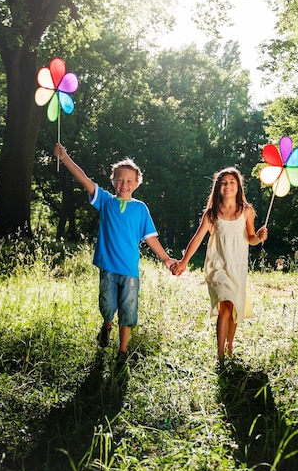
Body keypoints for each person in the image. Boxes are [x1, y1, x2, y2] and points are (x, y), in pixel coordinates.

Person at [54, 143, 176, 361]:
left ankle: (122, 351)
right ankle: (107, 325)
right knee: (108, 306)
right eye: (120, 179)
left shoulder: (140, 208)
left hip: (129, 270)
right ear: (113, 181)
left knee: (128, 310)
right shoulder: (106, 201)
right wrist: (64, 158)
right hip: (108, 268)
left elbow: (150, 238)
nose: (124, 184)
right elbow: (83, 179)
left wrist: (166, 259)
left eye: (129, 181)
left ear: (137, 184)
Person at [172, 167, 267, 359]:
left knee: (234, 308)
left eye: (232, 182)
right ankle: (220, 355)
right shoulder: (211, 213)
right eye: (223, 183)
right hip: (217, 267)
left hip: (237, 267)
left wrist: (258, 237)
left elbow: (250, 238)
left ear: (238, 186)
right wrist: (183, 262)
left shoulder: (246, 211)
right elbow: (197, 239)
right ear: (218, 187)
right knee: (225, 304)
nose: (228, 186)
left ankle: (230, 346)